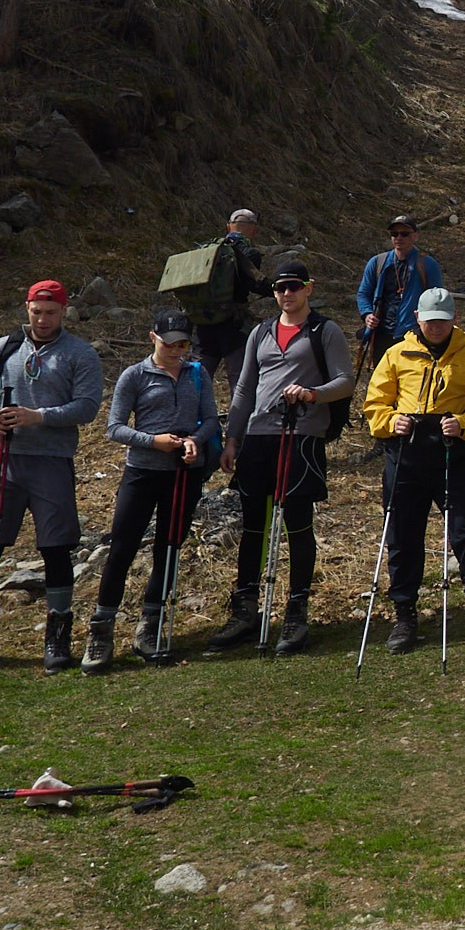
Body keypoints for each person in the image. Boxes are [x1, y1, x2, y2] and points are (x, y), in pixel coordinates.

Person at [0, 280, 105, 672]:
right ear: (27, 309)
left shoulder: (80, 354)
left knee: (55, 546)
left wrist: (38, 417)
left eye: (51, 312)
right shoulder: (3, 348)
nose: (43, 319)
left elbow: (86, 407)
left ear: (64, 312)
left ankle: (57, 635)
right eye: (37, 312)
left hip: (50, 460)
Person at [207, 261, 354, 655]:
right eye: (278, 288)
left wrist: (311, 394)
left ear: (309, 288)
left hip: (301, 437)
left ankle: (296, 612)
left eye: (293, 286)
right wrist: (232, 439)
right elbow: (244, 388)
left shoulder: (325, 330)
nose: (286, 294)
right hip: (258, 436)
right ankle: (245, 609)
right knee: (253, 524)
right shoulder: (261, 332)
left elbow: (345, 381)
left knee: (298, 526)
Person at [362, 288, 465, 652]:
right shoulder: (395, 355)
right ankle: (404, 614)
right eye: (430, 320)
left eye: (442, 320)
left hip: (450, 457)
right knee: (402, 537)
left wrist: (464, 423)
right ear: (418, 320)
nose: (436, 326)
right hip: (404, 459)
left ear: (454, 319)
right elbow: (374, 405)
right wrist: (391, 421)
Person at [81, 309, 221, 674]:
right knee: (122, 547)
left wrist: (194, 441)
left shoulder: (197, 373)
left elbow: (209, 419)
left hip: (183, 473)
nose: (176, 350)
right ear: (152, 338)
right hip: (142, 471)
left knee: (169, 547)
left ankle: (151, 624)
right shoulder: (135, 375)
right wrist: (153, 442)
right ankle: (101, 629)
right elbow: (114, 427)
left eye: (183, 344)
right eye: (169, 343)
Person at [192, 208, 267, 400]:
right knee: (238, 378)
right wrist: (279, 289)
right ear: (254, 229)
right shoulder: (249, 252)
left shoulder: (208, 249)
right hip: (232, 324)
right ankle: (237, 425)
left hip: (203, 321)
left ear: (228, 227)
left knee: (198, 377)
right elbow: (253, 284)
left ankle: (189, 420)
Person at [356, 215, 444, 373]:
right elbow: (364, 293)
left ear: (416, 236)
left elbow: (437, 300)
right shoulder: (377, 263)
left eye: (404, 233)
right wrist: (367, 314)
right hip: (381, 333)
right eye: (394, 234)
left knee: (409, 378)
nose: (399, 237)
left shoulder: (427, 265)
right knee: (382, 377)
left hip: (413, 334)